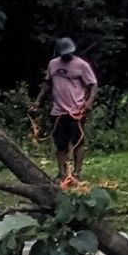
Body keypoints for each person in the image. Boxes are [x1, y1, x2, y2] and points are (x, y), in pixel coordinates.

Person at [41, 37, 100, 191]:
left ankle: (77, 172)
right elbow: (47, 82)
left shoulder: (81, 65)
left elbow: (93, 85)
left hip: (76, 110)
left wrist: (89, 102)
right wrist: (38, 100)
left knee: (78, 142)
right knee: (60, 144)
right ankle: (61, 173)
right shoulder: (53, 64)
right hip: (58, 110)